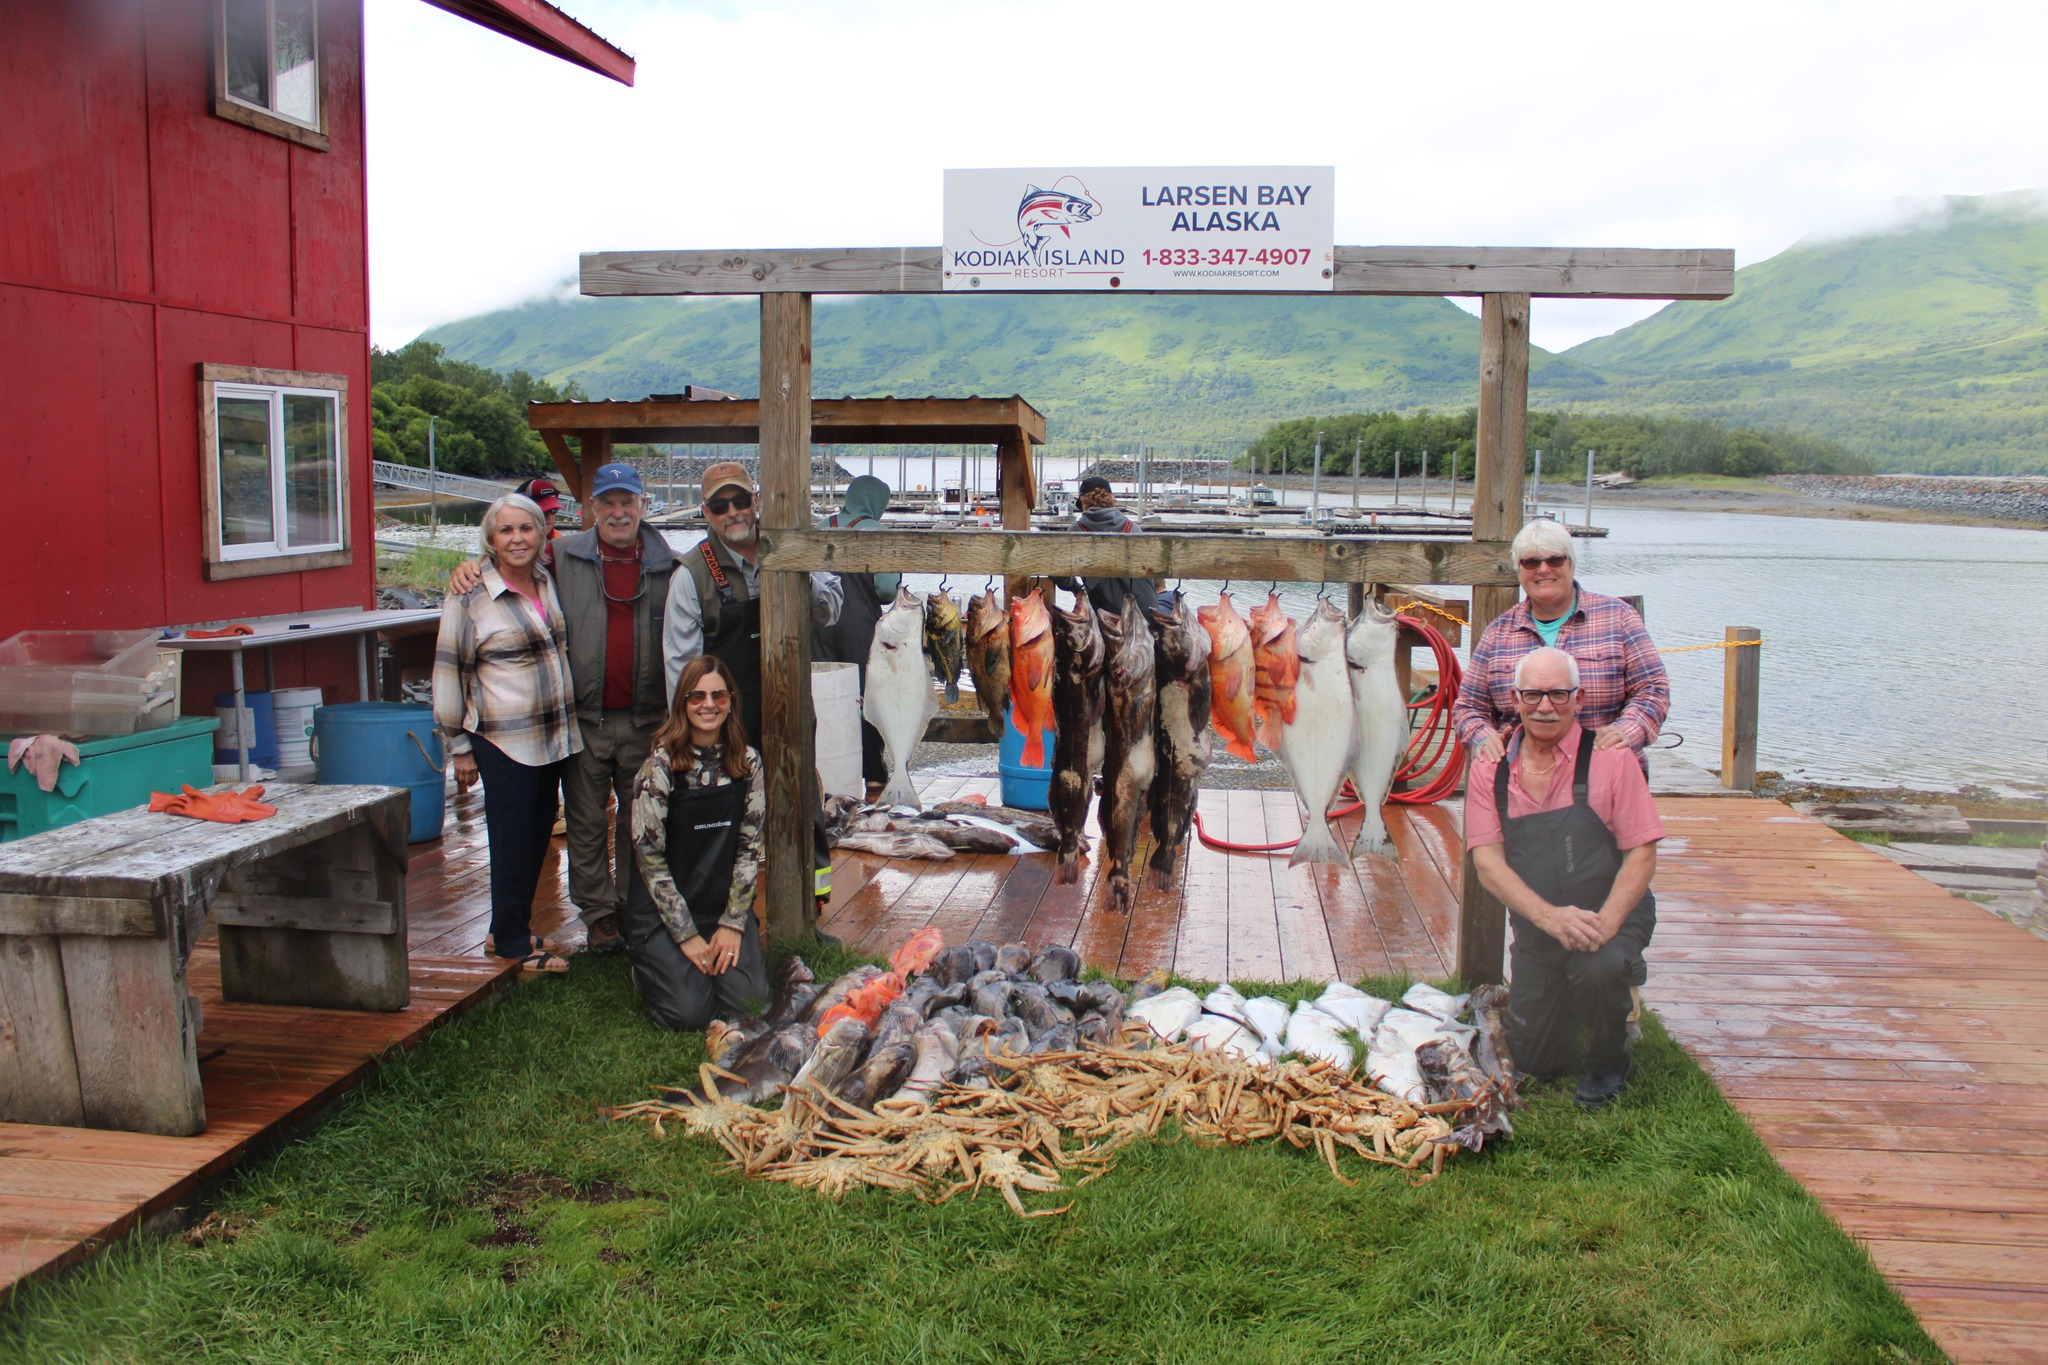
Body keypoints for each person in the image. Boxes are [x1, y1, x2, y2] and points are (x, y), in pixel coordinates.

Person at [451, 463, 679, 958]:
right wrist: (470, 566)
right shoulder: (561, 555)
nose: (618, 512)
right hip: (581, 719)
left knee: (641, 820)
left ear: (644, 505)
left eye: (628, 502)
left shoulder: (670, 564)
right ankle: (598, 915)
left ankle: (632, 907)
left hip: (647, 717)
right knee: (585, 822)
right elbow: (507, 556)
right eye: (608, 503)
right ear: (591, 509)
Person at [1465, 647, 1662, 1108]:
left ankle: (1609, 1059)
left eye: (1558, 693)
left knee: (1600, 968)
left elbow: (1642, 854)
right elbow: (1488, 864)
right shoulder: (1489, 769)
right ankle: (1575, 994)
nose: (1545, 706)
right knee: (1536, 1060)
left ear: (1579, 699)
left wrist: (1605, 925)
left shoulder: (1612, 759)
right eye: (1533, 694)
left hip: (1607, 915)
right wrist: (1551, 919)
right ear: (1516, 698)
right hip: (1541, 923)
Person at [432, 493, 582, 976]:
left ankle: (507, 926)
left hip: (552, 738)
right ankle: (516, 948)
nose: (517, 538)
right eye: (506, 530)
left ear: (542, 534)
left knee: (536, 838)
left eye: (526, 528)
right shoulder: (468, 595)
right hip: (503, 742)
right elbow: (449, 671)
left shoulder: (546, 580)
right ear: (490, 539)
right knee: (510, 841)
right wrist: (458, 747)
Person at [626, 656, 771, 1030]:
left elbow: (749, 848)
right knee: (690, 1014)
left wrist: (733, 922)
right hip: (664, 914)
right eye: (698, 696)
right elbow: (648, 860)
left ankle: (715, 962)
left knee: (750, 1006)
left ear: (731, 700)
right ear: (683, 703)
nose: (709, 704)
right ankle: (644, 969)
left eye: (718, 696)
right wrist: (686, 935)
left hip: (719, 906)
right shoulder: (657, 770)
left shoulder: (749, 763)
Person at [1453, 519, 1669, 765]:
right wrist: (1484, 739)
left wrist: (1626, 732)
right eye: (1531, 562)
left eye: (1554, 560)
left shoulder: (1619, 617)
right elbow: (1468, 707)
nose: (1543, 569)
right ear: (1519, 570)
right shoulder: (1497, 633)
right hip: (1520, 775)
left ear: (1571, 565)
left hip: (1605, 768)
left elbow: (1653, 689)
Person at [662, 461, 844, 744]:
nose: (733, 513)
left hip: (791, 715)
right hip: (723, 727)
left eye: (741, 501)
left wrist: (802, 579)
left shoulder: (791, 549)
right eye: (721, 506)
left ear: (756, 500)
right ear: (706, 512)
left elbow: (830, 612)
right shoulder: (689, 576)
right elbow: (681, 672)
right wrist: (691, 740)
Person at [811, 474, 898, 798]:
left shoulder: (820, 528)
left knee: (826, 696)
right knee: (866, 697)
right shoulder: (878, 532)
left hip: (818, 625)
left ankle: (828, 772)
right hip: (860, 625)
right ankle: (873, 773)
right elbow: (887, 590)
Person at [1051, 475, 1158, 618]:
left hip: (1108, 617)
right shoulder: (1132, 528)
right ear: (1110, 500)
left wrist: (1075, 587)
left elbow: (1057, 573)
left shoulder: (1078, 530)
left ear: (1084, 502)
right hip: (1147, 613)